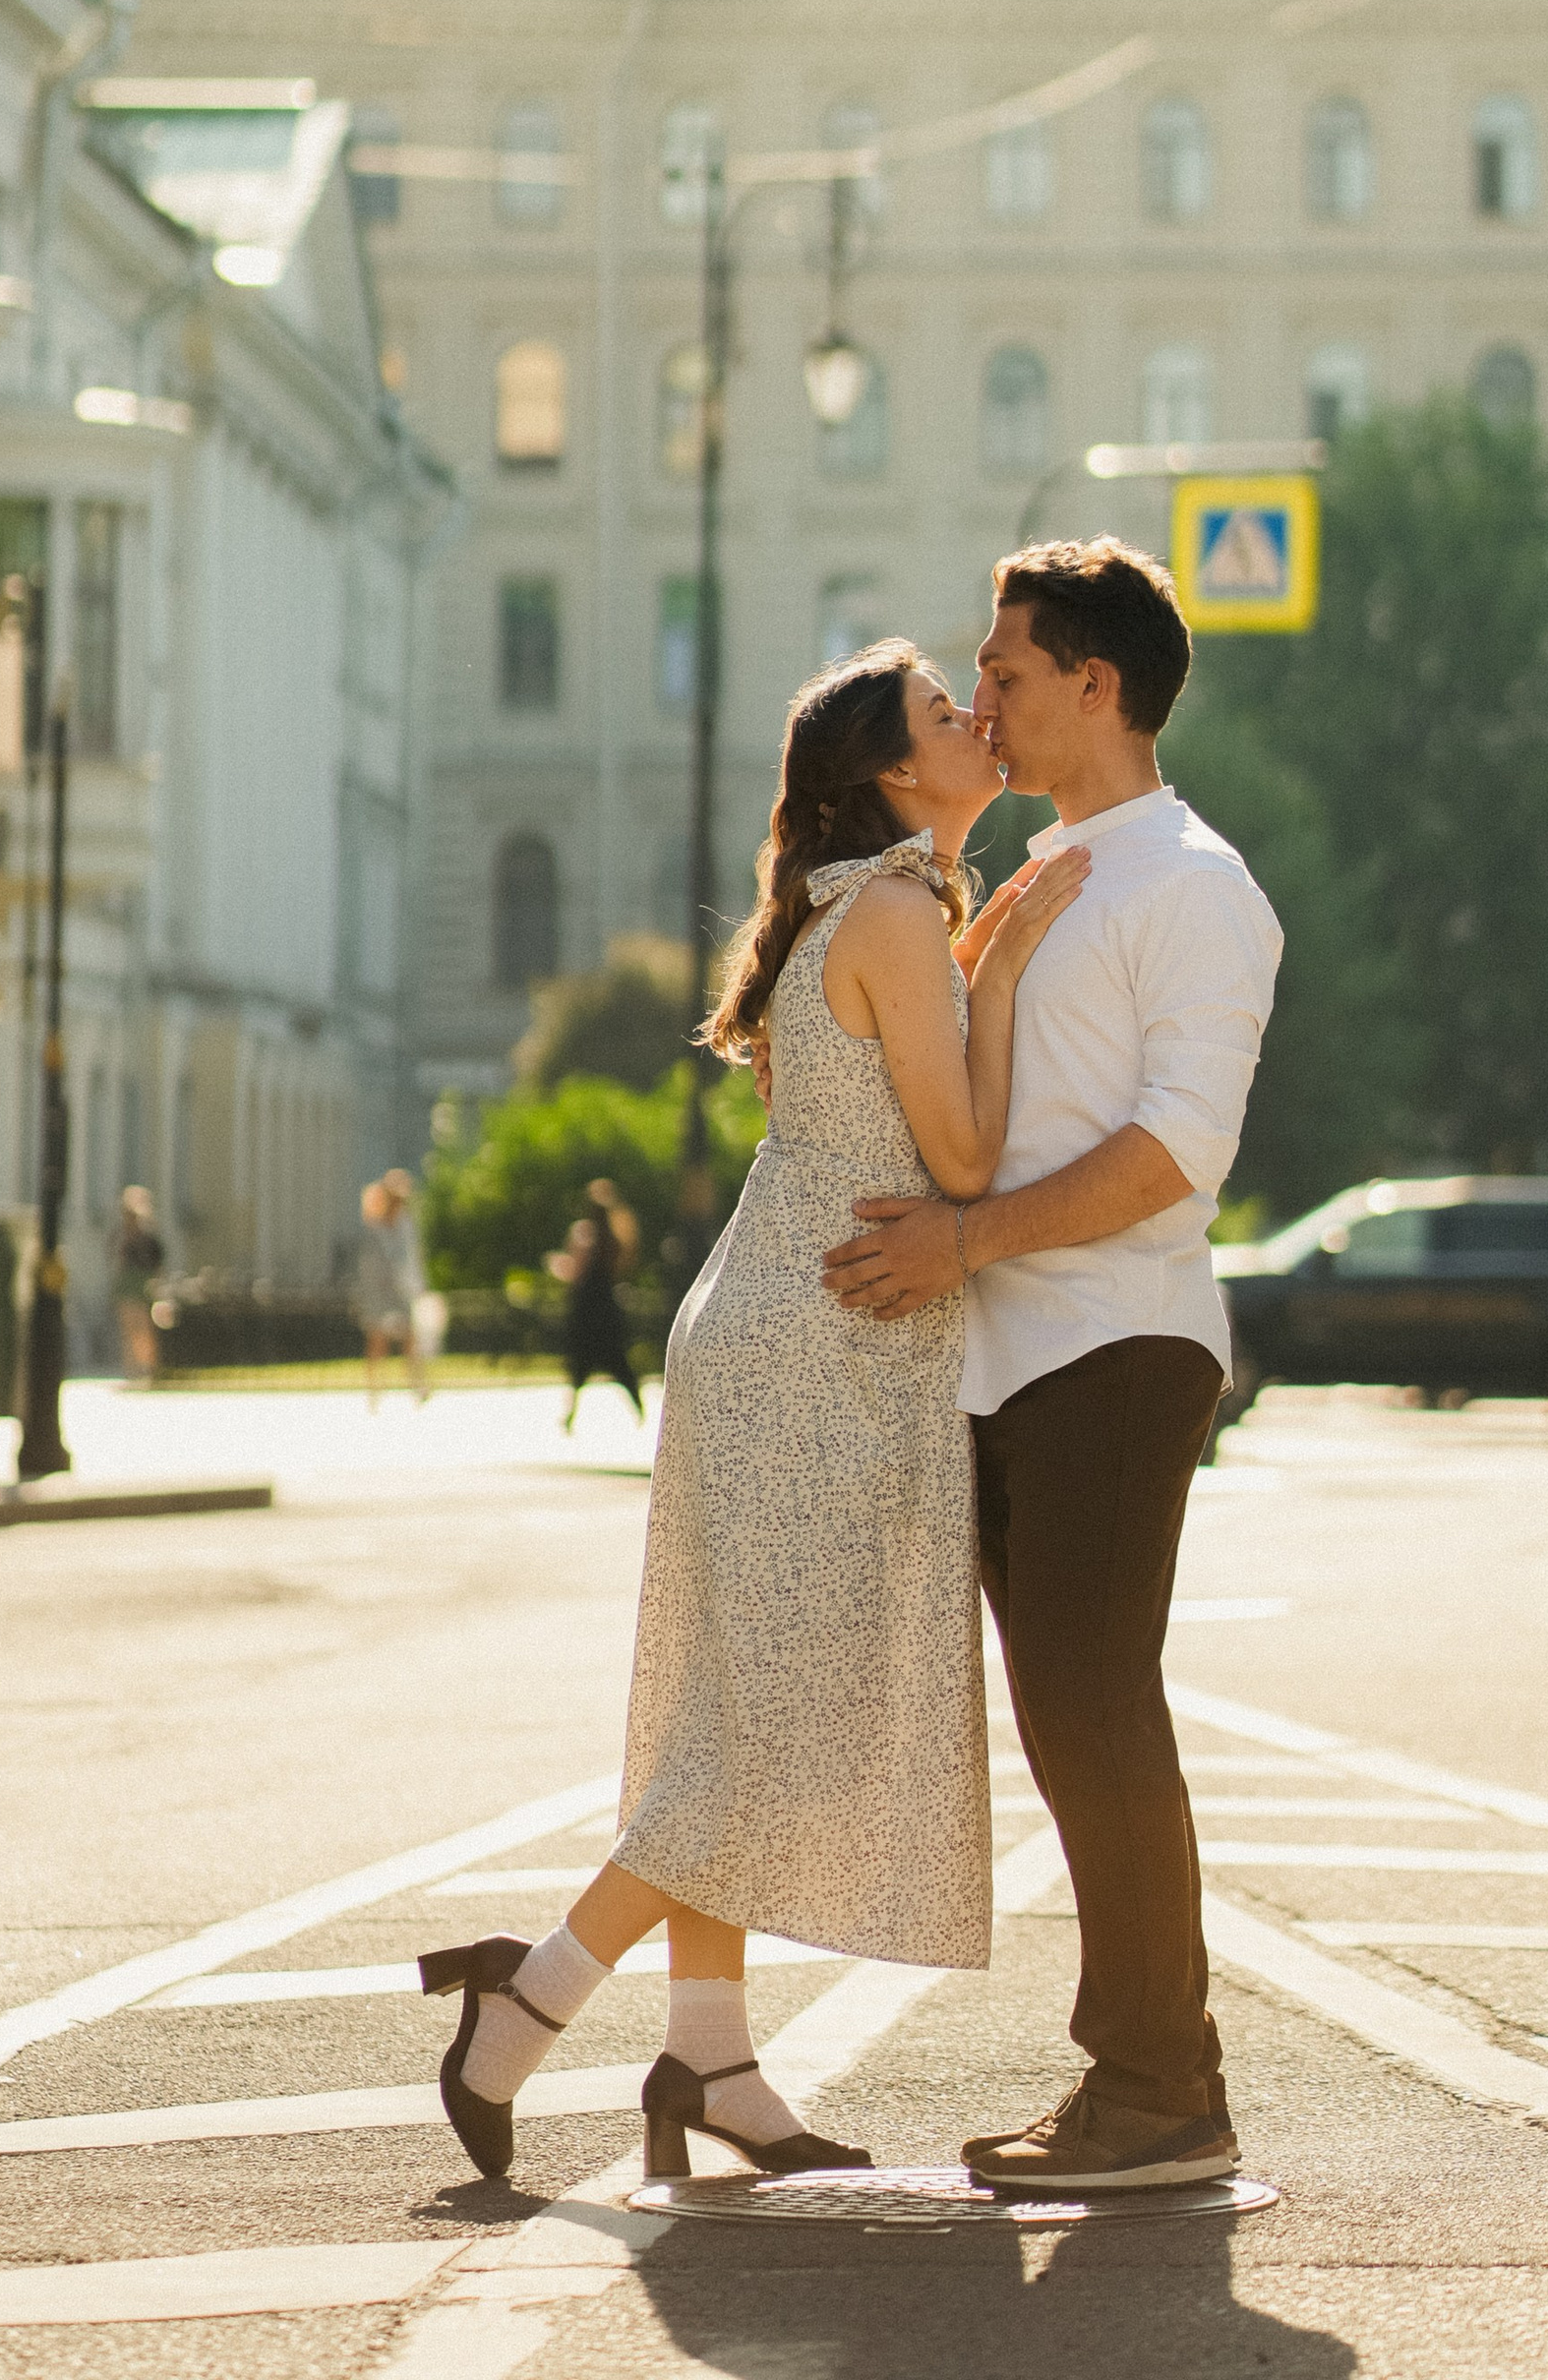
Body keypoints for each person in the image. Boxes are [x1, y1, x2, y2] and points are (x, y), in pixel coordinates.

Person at [417, 640, 1088, 2182]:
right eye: (942, 712)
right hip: (821, 1355)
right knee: (758, 1736)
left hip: (776, 1338)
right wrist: (1013, 953)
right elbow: (969, 1165)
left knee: (736, 1719)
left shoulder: (858, 910)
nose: (975, 718)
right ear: (896, 778)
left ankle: (708, 2060)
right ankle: (524, 2007)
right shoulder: (908, 915)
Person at [822, 538, 1280, 2192]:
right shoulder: (1047, 875)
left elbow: (1177, 1155)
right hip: (1007, 1361)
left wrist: (967, 1244)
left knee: (1100, 1712)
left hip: (1117, 1348)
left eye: (1006, 671)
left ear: (1099, 686)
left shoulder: (1197, 887)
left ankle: (1165, 2089)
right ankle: (1143, 2080)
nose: (986, 698)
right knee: (1069, 1724)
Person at [550, 1175, 643, 1425]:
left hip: (585, 1308)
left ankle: (570, 1414)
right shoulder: (615, 1239)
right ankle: (639, 1408)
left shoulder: (585, 1235)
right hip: (607, 1307)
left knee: (580, 1363)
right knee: (619, 1363)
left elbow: (575, 1271)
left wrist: (557, 1266)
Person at [355, 1165, 429, 1405]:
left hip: (401, 1288)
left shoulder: (405, 1224)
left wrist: (418, 1285)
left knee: (410, 1337)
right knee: (378, 1339)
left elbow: (412, 1257)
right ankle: (374, 1390)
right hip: (378, 1289)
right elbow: (368, 1264)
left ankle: (417, 1384)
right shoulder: (374, 1225)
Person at [109, 1187, 165, 1382]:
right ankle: (131, 1369)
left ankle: (148, 1368)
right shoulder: (120, 1234)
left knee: (144, 1328)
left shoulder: (148, 1236)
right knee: (128, 1328)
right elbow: (113, 1257)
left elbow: (157, 1262)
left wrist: (157, 1286)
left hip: (143, 1283)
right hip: (126, 1283)